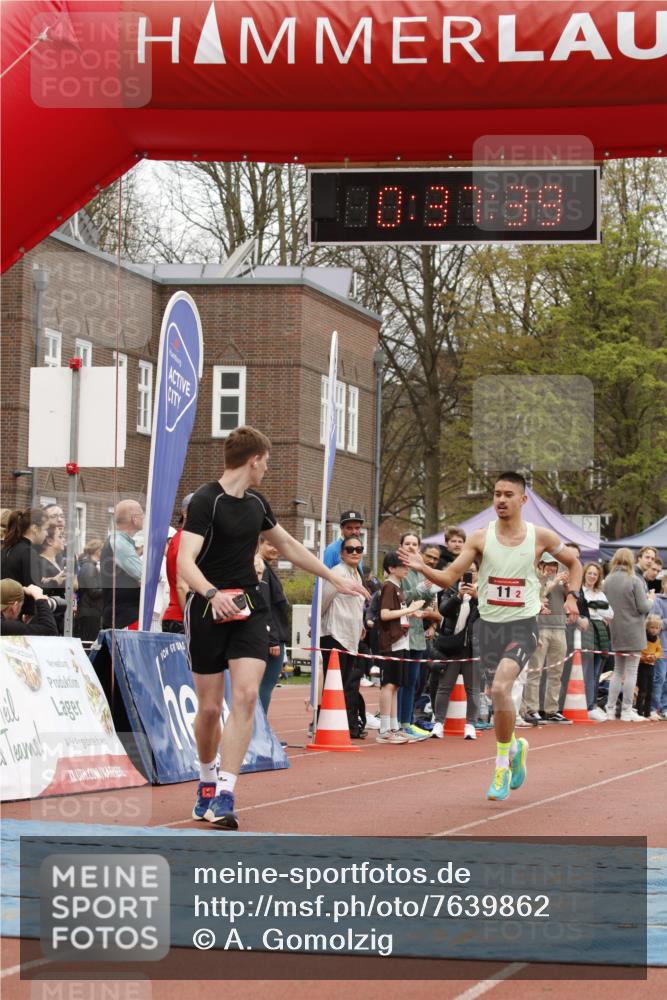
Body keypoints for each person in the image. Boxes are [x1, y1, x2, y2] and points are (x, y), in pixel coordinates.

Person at [177, 425, 367, 830]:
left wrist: (334, 578)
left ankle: (226, 792)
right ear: (254, 460)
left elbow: (291, 547)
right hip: (208, 610)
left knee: (245, 697)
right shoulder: (206, 501)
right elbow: (185, 562)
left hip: (249, 609)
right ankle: (207, 779)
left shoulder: (257, 503)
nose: (267, 468)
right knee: (210, 708)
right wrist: (212, 594)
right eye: (267, 461)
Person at [398, 471, 582, 802]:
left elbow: (574, 561)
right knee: (496, 698)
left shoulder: (539, 537)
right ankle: (515, 749)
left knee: (500, 689)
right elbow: (449, 577)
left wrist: (573, 597)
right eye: (496, 493)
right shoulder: (480, 539)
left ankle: (499, 767)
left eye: (508, 494)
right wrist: (422, 567)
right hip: (489, 627)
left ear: (523, 500)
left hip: (522, 625)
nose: (500, 500)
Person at [320, 532, 367, 737]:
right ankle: (330, 724)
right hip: (334, 633)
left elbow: (357, 604)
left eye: (359, 549)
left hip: (351, 635)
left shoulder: (357, 574)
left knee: (348, 682)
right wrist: (315, 624)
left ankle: (348, 724)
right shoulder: (337, 573)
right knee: (336, 682)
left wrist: (361, 624)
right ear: (341, 553)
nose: (355, 553)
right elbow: (323, 601)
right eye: (350, 549)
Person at [376, 551, 425, 744]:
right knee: (389, 684)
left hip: (402, 640)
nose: (407, 569)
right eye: (403, 566)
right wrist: (410, 609)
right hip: (392, 642)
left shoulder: (397, 587)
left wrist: (412, 614)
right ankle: (384, 729)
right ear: (391, 568)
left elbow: (398, 614)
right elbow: (385, 614)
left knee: (396, 685)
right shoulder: (388, 586)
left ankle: (394, 726)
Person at [430, 563, 480, 740]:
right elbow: (443, 610)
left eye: (472, 572)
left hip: (473, 648)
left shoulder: (484, 592)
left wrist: (476, 597)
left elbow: (490, 614)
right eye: (464, 572)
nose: (468, 576)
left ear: (478, 574)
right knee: (444, 686)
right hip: (451, 646)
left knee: (473, 689)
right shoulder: (451, 590)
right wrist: (459, 596)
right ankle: (438, 723)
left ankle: (471, 724)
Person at [603, 548, 653, 722]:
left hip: (616, 630)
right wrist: (651, 600)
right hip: (633, 631)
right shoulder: (634, 580)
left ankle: (610, 709)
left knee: (617, 671)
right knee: (632, 671)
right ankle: (626, 709)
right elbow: (643, 607)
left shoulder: (607, 580)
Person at [521, 553, 571, 725]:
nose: (551, 568)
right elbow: (540, 592)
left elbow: (569, 598)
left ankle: (552, 709)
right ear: (541, 565)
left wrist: (567, 588)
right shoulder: (536, 579)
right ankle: (531, 709)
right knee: (535, 670)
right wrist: (555, 581)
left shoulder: (560, 582)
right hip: (540, 627)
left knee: (556, 672)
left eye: (554, 565)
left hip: (560, 627)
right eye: (548, 565)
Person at [396, 532, 436, 740]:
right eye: (407, 543)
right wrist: (419, 590)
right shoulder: (398, 570)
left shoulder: (421, 571)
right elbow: (400, 598)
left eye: (414, 544)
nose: (411, 547)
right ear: (401, 546)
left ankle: (408, 720)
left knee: (414, 680)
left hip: (418, 632)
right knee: (402, 680)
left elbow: (429, 602)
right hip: (402, 632)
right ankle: (399, 722)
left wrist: (431, 592)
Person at [255, 534, 290, 717]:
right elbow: (264, 605)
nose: (275, 548)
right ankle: (259, 732)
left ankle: (257, 731)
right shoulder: (260, 568)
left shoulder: (265, 568)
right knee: (265, 687)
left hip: (268, 635)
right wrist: (272, 639)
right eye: (270, 544)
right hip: (269, 639)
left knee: (262, 687)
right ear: (259, 544)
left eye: (277, 544)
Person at [100, 499, 144, 629]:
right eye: (142, 515)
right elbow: (143, 575)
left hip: (122, 615)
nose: (144, 518)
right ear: (134, 519)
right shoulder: (120, 543)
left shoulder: (119, 542)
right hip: (125, 617)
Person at [580, 562, 614, 721]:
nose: (592, 576)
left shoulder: (600, 593)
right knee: (585, 670)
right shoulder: (580, 591)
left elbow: (611, 613)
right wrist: (598, 610)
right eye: (590, 573)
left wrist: (593, 606)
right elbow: (583, 609)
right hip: (586, 633)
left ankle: (592, 704)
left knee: (596, 671)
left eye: (595, 574)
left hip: (601, 635)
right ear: (584, 574)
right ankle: (586, 705)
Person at [1, 507, 49, 615]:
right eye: (46, 529)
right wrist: (30, 614)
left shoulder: (7, 549)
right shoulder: (28, 552)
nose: (47, 534)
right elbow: (32, 588)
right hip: (20, 614)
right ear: (35, 528)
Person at [162, 494, 194, 635]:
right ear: (185, 512)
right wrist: (191, 622)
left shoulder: (180, 538)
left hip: (178, 616)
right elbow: (182, 586)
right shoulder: (184, 540)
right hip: (181, 618)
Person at [37, 527, 69, 634]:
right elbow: (39, 585)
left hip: (61, 615)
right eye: (60, 537)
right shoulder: (40, 562)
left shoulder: (59, 562)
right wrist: (53, 580)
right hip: (50, 616)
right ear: (50, 541)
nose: (63, 540)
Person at [76, 539, 103, 641]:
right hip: (89, 612)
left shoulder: (90, 566)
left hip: (90, 611)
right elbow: (93, 592)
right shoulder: (89, 567)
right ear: (97, 551)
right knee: (88, 643)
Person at [637, 615, 662, 718]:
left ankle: (647, 712)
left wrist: (654, 656)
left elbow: (659, 651)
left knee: (649, 691)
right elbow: (639, 651)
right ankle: (638, 711)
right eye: (652, 627)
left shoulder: (657, 639)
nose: (654, 630)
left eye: (656, 628)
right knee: (642, 690)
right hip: (642, 665)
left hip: (651, 667)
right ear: (647, 627)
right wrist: (645, 657)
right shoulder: (643, 637)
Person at [650, 576, 667, 720]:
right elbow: (655, 623)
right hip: (661, 648)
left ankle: (665, 707)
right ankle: (653, 708)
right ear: (664, 584)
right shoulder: (658, 601)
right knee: (659, 678)